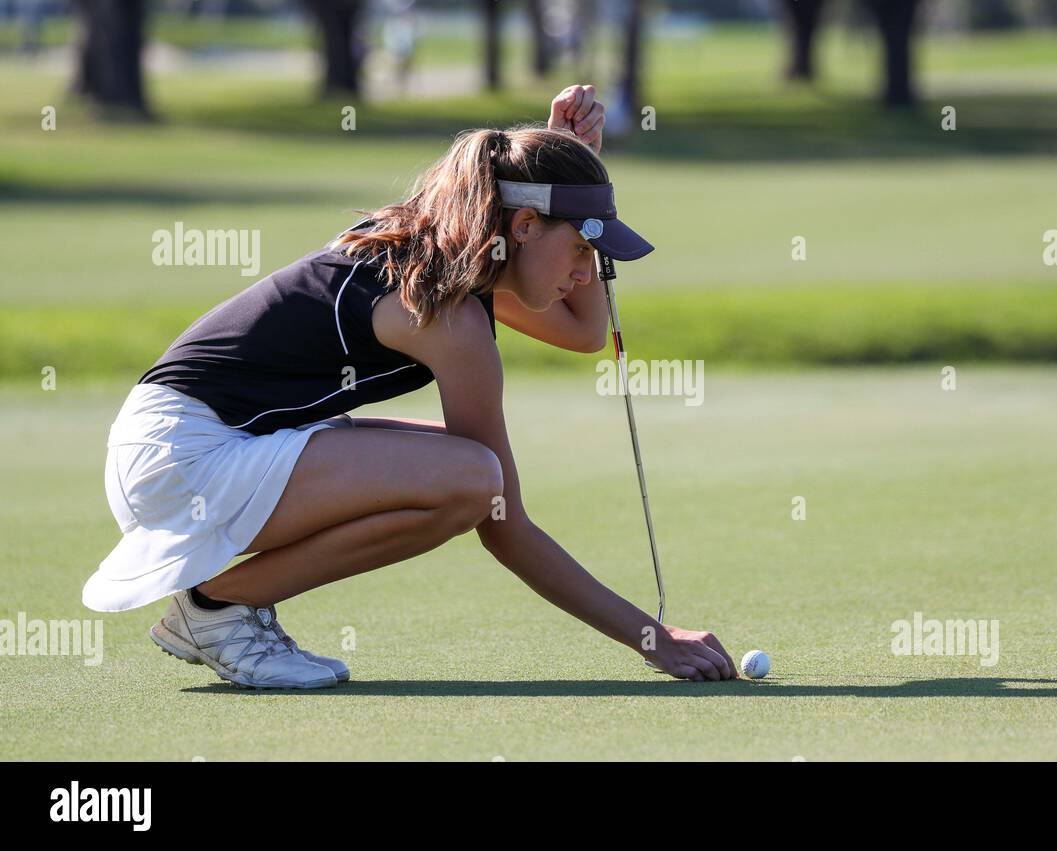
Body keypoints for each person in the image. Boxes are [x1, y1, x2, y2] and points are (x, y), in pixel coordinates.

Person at [83, 84, 736, 689]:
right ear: (526, 228)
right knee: (475, 480)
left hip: (198, 442)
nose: (586, 270)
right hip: (179, 459)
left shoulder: (453, 257)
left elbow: (584, 332)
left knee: (467, 476)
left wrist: (573, 168)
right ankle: (217, 607)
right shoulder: (448, 312)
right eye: (582, 250)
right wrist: (652, 637)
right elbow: (504, 523)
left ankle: (220, 605)